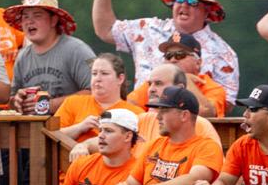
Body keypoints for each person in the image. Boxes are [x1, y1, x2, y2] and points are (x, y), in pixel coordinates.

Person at [93, 0, 239, 101]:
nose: (184, 5)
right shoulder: (147, 28)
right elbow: (106, 30)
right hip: (143, 118)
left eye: (192, 1)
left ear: (207, 11)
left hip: (191, 122)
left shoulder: (223, 52)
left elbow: (226, 103)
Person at [69, 64, 221, 162]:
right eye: (150, 84)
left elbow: (215, 166)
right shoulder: (141, 119)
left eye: (159, 84)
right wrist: (83, 146)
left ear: (180, 88)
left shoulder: (199, 125)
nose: (151, 89)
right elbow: (109, 140)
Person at [128, 86, 223, 185]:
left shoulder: (207, 146)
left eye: (164, 111)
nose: (158, 117)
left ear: (184, 115)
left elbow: (193, 180)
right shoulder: (154, 145)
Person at [4, 0, 94, 114]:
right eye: (25, 17)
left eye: (37, 15)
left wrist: (50, 105)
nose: (30, 22)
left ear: (54, 20)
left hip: (71, 131)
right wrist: (17, 101)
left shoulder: (76, 50)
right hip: (33, 132)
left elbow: (95, 93)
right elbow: (12, 102)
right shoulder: (22, 57)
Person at [126, 33, 226, 117]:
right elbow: (129, 105)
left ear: (198, 63)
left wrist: (185, 79)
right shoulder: (155, 83)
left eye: (180, 55)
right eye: (168, 56)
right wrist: (149, 119)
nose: (173, 60)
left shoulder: (213, 88)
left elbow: (207, 113)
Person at [54, 53, 143, 142]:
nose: (97, 78)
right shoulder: (73, 102)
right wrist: (80, 127)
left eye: (104, 73)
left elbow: (141, 146)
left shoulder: (135, 113)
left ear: (120, 79)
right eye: (94, 73)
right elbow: (51, 135)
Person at [60, 109, 144, 185]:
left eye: (108, 131)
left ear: (128, 137)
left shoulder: (138, 172)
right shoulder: (80, 164)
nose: (100, 136)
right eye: (100, 130)